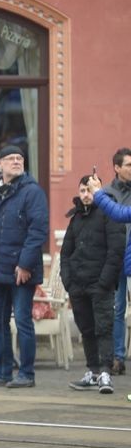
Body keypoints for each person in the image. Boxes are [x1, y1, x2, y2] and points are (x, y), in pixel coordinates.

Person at [0, 145, 48, 388]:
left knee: (23, 322)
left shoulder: (32, 192)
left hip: (21, 270)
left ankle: (26, 374)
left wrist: (25, 264)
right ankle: (3, 371)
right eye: (11, 158)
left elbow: (38, 231)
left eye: (20, 158)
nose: (16, 161)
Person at [59, 176, 122, 394]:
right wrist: (68, 281)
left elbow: (116, 252)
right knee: (86, 329)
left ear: (98, 190)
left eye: (89, 190)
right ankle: (92, 371)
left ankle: (105, 372)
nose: (86, 195)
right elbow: (66, 252)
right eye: (82, 190)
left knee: (103, 327)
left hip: (100, 284)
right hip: (78, 285)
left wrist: (105, 281)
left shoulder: (109, 213)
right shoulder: (76, 217)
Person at [102, 147, 131, 376]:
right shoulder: (107, 192)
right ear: (117, 167)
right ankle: (118, 357)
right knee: (116, 309)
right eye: (129, 165)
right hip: (114, 257)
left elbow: (121, 215)